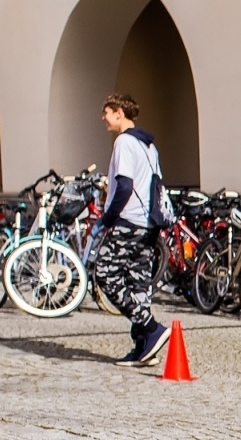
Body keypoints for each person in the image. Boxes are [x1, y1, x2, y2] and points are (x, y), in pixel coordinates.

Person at [95, 93, 171, 368]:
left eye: (106, 112)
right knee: (139, 284)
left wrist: (107, 218)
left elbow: (124, 185)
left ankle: (151, 328)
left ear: (118, 112)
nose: (103, 118)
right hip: (149, 225)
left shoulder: (124, 142)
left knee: (105, 273)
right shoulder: (148, 145)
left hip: (128, 223)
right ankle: (143, 348)